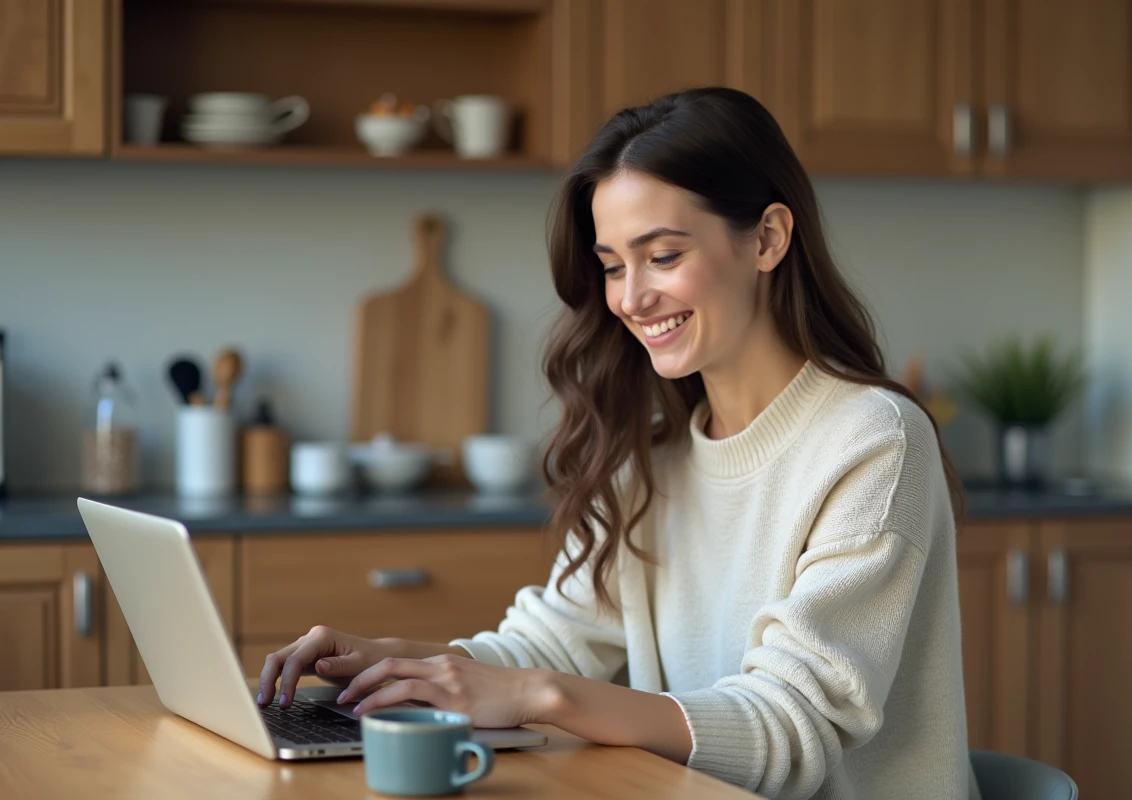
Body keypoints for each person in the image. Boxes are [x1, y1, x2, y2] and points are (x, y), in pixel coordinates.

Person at [258, 87, 980, 800]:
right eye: (611, 265)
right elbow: (549, 647)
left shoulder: (873, 441)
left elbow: (789, 731)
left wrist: (540, 695)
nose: (630, 298)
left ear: (767, 239)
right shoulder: (649, 458)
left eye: (661, 255)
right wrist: (399, 661)